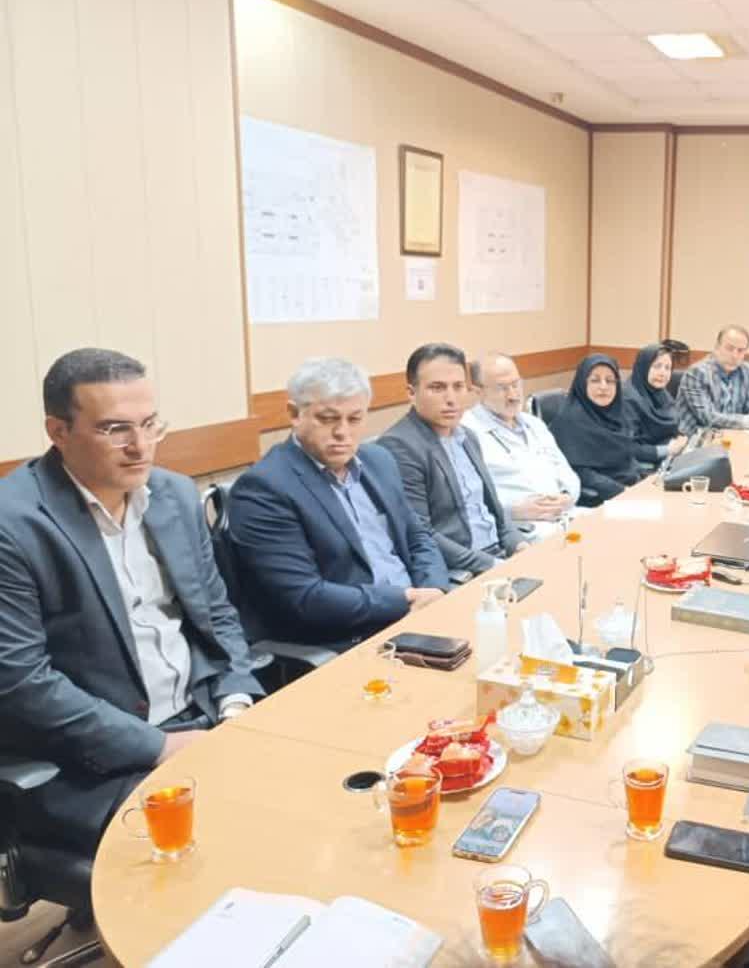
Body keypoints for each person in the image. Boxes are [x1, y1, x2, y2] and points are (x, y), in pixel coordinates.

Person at [0, 349, 262, 857]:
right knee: (237, 841)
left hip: (204, 718)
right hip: (92, 763)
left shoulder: (174, 494)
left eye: (149, 425)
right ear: (58, 432)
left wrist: (234, 701)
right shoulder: (14, 525)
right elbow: (22, 683)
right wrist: (158, 746)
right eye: (114, 429)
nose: (140, 447)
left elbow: (216, 613)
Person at [229, 358, 451, 646]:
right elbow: (306, 597)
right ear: (294, 414)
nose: (342, 433)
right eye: (328, 419)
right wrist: (406, 598)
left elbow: (417, 536)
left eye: (354, 419)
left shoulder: (378, 460)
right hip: (353, 636)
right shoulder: (264, 488)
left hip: (418, 612)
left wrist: (434, 590)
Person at [378, 345, 530, 575]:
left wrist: (519, 546)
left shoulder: (467, 436)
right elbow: (420, 533)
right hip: (463, 570)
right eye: (437, 388)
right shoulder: (399, 446)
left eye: (458, 387)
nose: (451, 399)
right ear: (411, 393)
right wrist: (493, 566)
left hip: (499, 555)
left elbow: (495, 510)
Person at [462, 352, 580, 540]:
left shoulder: (534, 424)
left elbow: (566, 472)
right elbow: (467, 499)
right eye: (502, 388)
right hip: (519, 527)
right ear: (478, 392)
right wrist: (512, 510)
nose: (513, 395)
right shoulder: (466, 432)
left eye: (516, 384)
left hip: (565, 513)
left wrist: (567, 496)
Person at [550, 354, 645, 504]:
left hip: (628, 490)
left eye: (610, 381)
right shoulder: (569, 420)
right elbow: (578, 471)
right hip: (597, 499)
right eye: (595, 380)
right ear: (582, 383)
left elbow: (627, 456)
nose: (603, 387)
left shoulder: (619, 413)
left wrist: (644, 480)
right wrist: (621, 492)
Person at [674, 325, 749, 436]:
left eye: (740, 351)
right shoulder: (697, 373)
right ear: (717, 347)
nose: (734, 355)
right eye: (729, 349)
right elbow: (708, 418)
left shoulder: (746, 371)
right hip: (695, 439)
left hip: (731, 437)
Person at [620, 344, 689, 464]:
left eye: (667, 368)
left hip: (667, 456)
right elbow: (628, 447)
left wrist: (680, 437)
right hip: (640, 466)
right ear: (644, 367)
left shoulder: (661, 393)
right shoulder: (628, 399)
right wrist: (667, 450)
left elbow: (672, 424)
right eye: (657, 366)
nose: (663, 373)